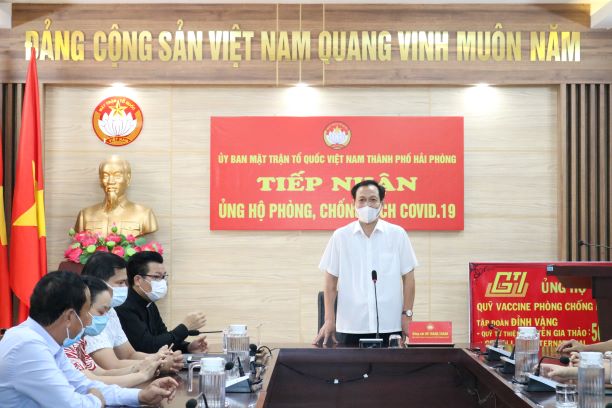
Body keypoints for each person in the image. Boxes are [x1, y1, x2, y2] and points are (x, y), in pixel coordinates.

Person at [0, 271, 178, 407]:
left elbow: (84, 385)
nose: (88, 321)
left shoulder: (49, 342)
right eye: (86, 312)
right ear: (69, 316)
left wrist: (140, 396)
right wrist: (96, 399)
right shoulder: (27, 345)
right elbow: (71, 404)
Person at [313, 179, 418, 346]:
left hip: (390, 324)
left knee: (393, 364)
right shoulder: (341, 236)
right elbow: (330, 283)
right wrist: (329, 319)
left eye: (373, 199)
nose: (367, 205)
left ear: (382, 204)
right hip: (350, 326)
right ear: (353, 204)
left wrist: (407, 315)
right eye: (361, 200)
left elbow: (409, 279)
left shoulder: (397, 234)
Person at [80, 251, 183, 371]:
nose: (125, 288)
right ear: (98, 283)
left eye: (126, 283)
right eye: (120, 283)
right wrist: (158, 364)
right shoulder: (88, 316)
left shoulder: (111, 311)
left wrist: (160, 357)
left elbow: (129, 354)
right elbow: (111, 366)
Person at [64, 276, 162, 387]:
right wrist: (142, 376)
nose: (106, 317)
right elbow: (92, 382)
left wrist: (141, 367)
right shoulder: (65, 345)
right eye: (101, 312)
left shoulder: (77, 342)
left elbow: (102, 373)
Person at [117, 251, 208, 353]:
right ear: (138, 280)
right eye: (156, 277)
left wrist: (188, 347)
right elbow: (148, 346)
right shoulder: (124, 306)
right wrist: (185, 327)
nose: (162, 282)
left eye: (163, 277)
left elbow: (163, 338)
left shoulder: (149, 303)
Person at [74, 155, 158, 237]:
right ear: (100, 180)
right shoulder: (85, 215)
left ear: (128, 179)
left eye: (117, 175)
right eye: (105, 176)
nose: (111, 181)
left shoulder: (144, 214)